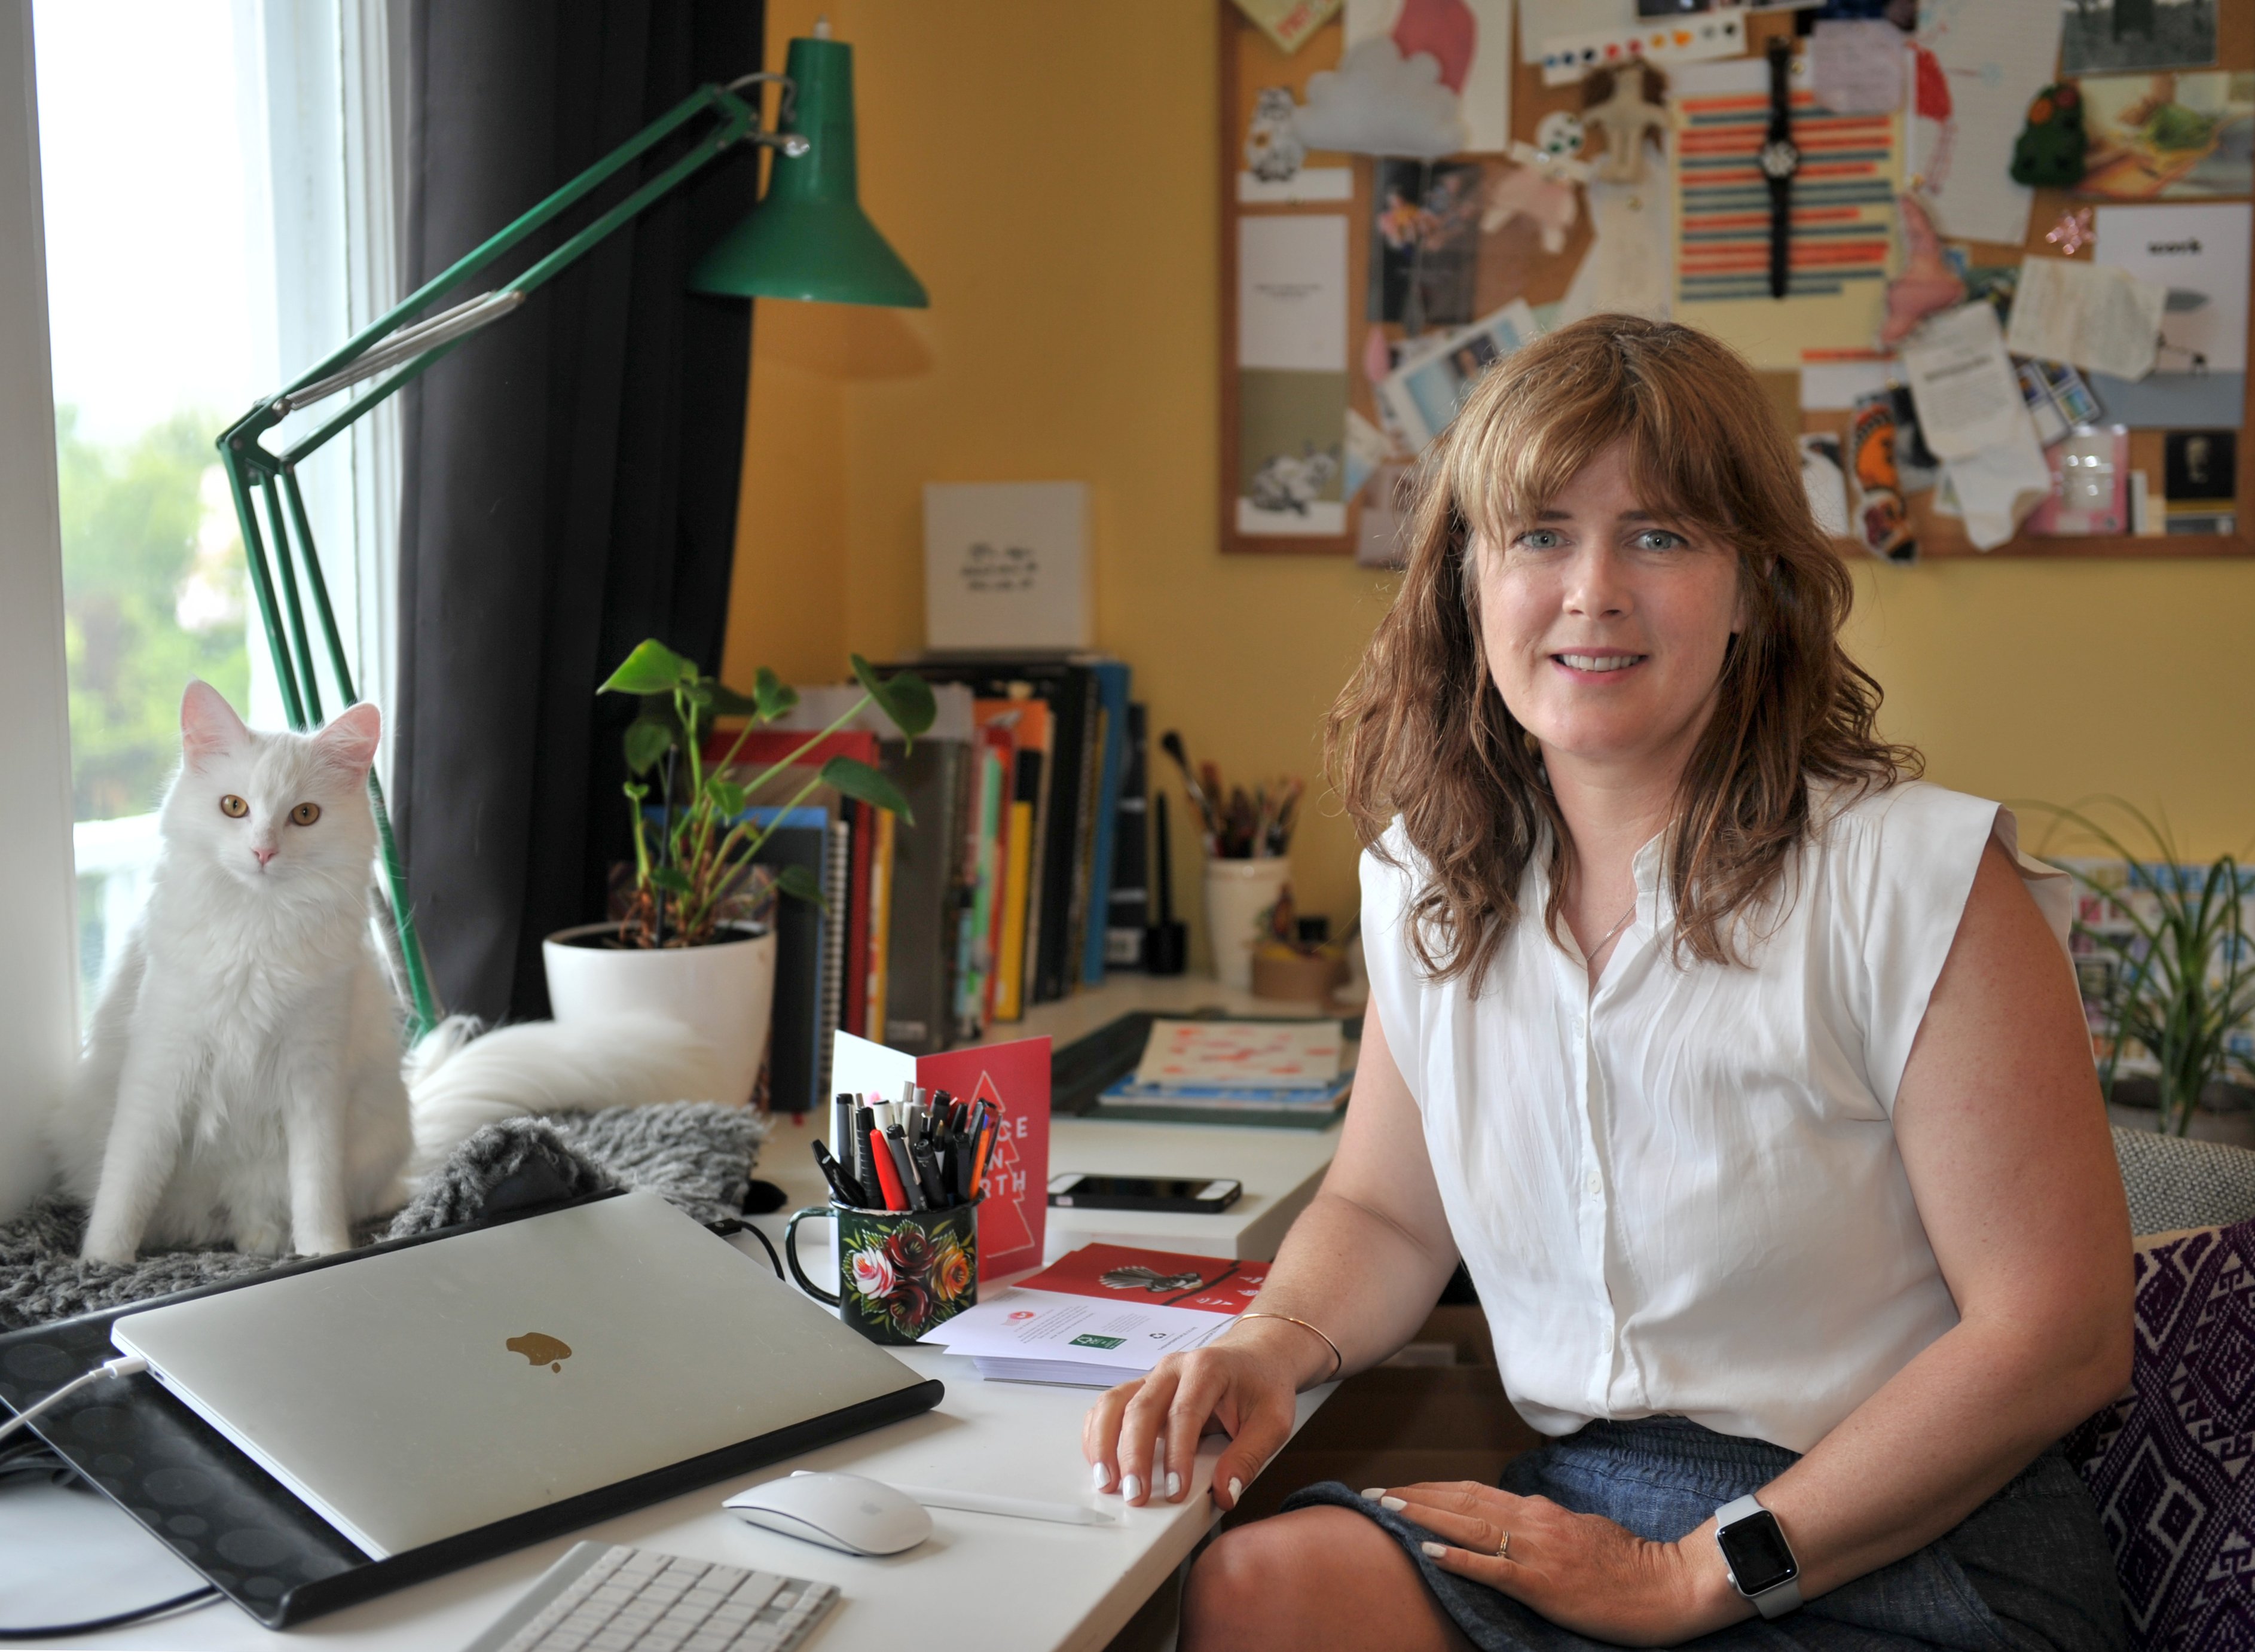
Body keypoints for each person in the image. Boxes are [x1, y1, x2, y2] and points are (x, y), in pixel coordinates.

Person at [1081, 316, 2132, 1651]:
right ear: (1465, 576)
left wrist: (1694, 1571)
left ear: (1752, 583)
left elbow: (2060, 1333)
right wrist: (1269, 1342)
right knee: (1251, 1587)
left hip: (1906, 1533)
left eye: (1659, 535)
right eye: (1537, 535)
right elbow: (1384, 1213)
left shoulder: (1917, 881)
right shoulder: (1424, 878)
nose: (1592, 590)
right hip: (1585, 1502)